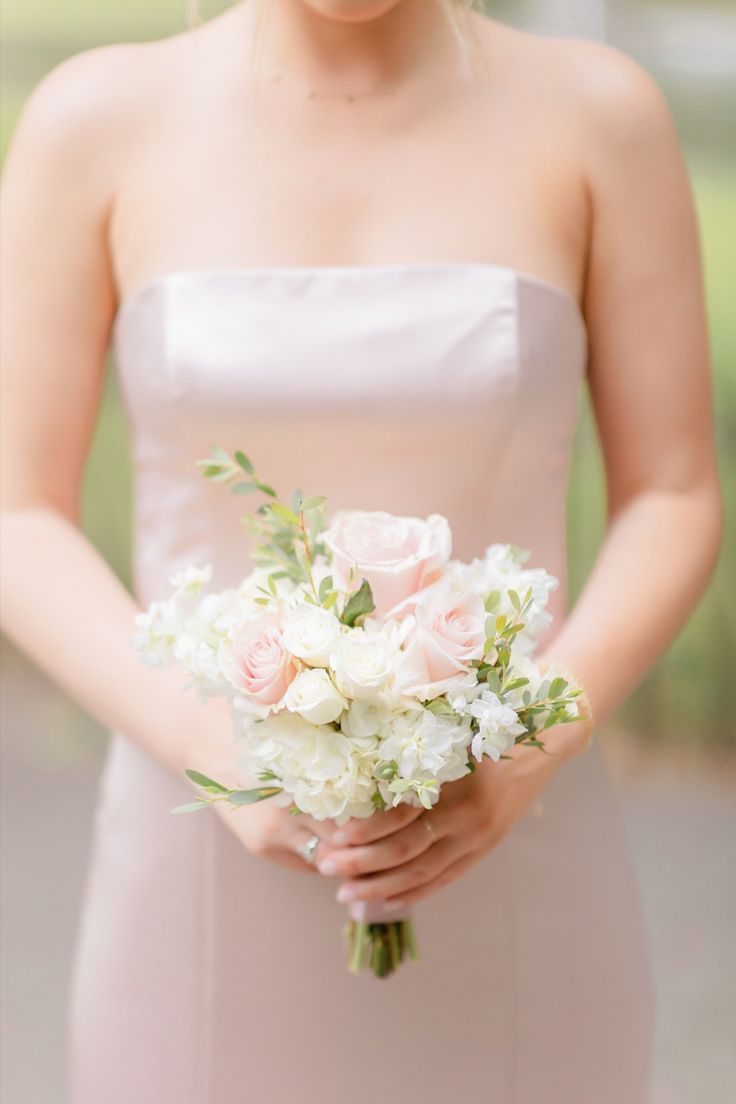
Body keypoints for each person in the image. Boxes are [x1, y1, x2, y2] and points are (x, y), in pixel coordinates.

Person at [0, 0, 723, 1100]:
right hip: (191, 848)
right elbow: (16, 515)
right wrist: (222, 757)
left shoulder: (597, 116)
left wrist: (522, 751)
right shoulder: (94, 120)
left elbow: (672, 494)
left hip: (514, 838)